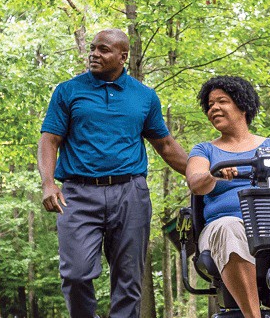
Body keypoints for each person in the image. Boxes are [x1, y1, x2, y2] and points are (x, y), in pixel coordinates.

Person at [37, 28, 188, 318]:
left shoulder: (144, 96)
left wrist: (202, 175)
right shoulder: (68, 91)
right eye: (93, 48)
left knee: (129, 281)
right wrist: (48, 183)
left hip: (130, 193)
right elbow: (49, 139)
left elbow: (166, 145)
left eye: (103, 49)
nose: (94, 54)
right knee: (76, 275)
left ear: (123, 56)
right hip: (77, 195)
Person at [186, 75, 270, 318]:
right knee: (231, 226)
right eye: (210, 104)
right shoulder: (204, 150)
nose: (214, 108)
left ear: (242, 105)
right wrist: (216, 175)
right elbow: (196, 183)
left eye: (222, 101)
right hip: (223, 226)